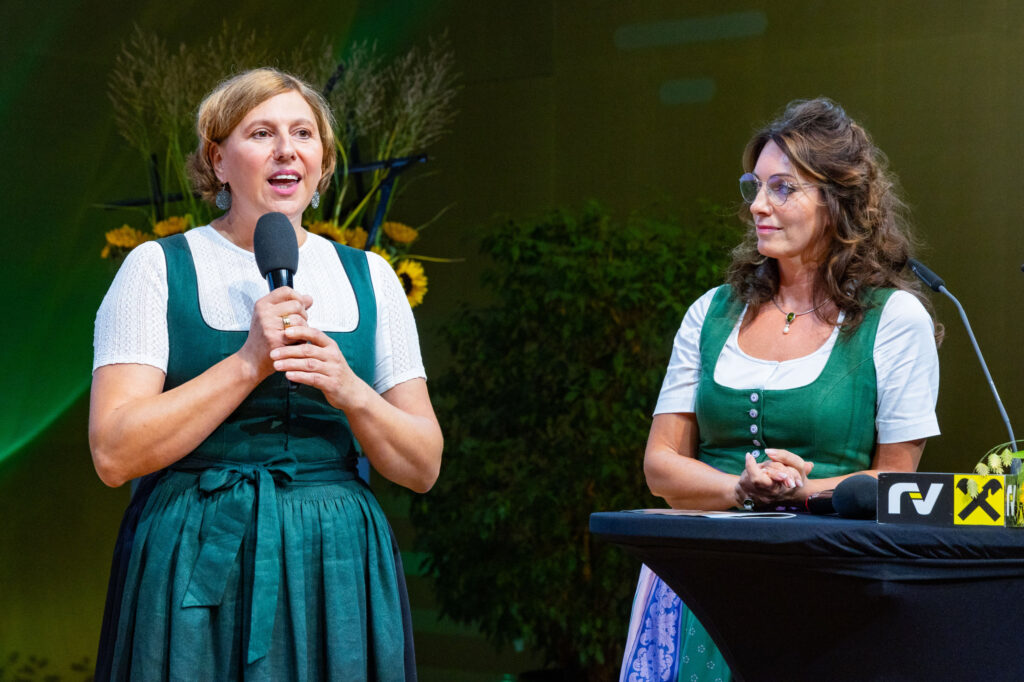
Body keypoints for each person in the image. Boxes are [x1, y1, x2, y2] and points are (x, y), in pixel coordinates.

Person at [90, 68, 442, 681]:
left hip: (337, 562)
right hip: (198, 551)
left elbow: (422, 465)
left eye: (303, 133)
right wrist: (248, 362)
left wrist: (351, 391)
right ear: (218, 161)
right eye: (261, 132)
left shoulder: (372, 278)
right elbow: (115, 452)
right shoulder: (157, 269)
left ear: (323, 163)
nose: (286, 149)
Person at [619, 98, 940, 682]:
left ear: (837, 202)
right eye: (755, 186)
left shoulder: (893, 321)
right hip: (699, 585)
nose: (758, 206)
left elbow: (900, 484)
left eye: (783, 188)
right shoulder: (712, 313)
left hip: (825, 585)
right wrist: (742, 488)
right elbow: (661, 465)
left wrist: (802, 490)